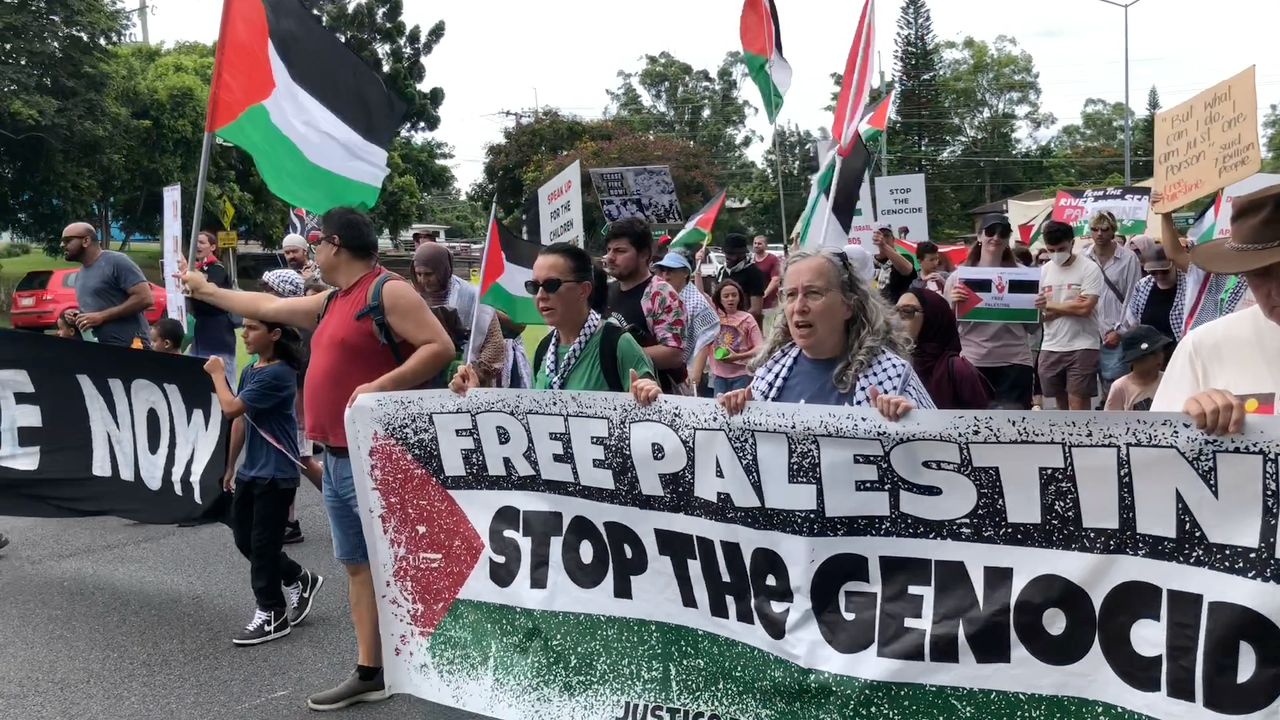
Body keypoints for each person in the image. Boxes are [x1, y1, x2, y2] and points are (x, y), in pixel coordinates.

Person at [181, 207, 455, 711]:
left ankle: (438, 664)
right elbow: (266, 304)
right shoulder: (332, 300)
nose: (312, 254)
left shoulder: (386, 291)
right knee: (358, 566)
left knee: (403, 564)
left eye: (316, 245)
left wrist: (380, 385)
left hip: (378, 456)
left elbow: (439, 346)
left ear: (334, 244)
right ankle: (370, 671)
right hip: (337, 458)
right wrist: (206, 290)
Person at [204, 322, 324, 646]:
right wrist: (231, 465)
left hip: (277, 473)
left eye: (252, 328)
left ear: (274, 334)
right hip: (252, 470)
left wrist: (217, 373)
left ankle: (272, 612)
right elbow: (241, 420)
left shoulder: (280, 374)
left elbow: (230, 407)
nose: (244, 334)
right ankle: (298, 577)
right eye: (244, 327)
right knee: (244, 538)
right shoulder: (251, 370)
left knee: (263, 545)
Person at [719, 248, 935, 417]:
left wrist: (911, 422)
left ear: (848, 305)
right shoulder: (769, 372)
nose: (799, 307)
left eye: (813, 293)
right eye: (791, 295)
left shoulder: (893, 376)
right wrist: (743, 410)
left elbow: (939, 449)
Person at [451, 243, 661, 402]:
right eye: (534, 286)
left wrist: (648, 394)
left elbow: (654, 417)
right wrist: (474, 394)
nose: (540, 295)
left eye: (551, 284)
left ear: (583, 290)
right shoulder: (544, 350)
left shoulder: (617, 344)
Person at [1151, 186, 1280, 434]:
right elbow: (1156, 448)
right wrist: (1191, 425)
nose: (1276, 291)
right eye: (1260, 273)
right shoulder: (1202, 346)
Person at [259, 268, 324, 544]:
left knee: (298, 460)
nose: (264, 294)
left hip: (295, 405)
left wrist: (302, 413)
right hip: (289, 404)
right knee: (292, 460)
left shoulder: (296, 331)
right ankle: (287, 520)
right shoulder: (286, 326)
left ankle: (347, 504)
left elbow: (301, 374)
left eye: (270, 290)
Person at [944, 214, 1035, 409]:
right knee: (974, 424)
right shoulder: (957, 278)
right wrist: (953, 304)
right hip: (972, 362)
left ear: (1008, 239)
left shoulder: (1024, 276)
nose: (996, 237)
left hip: (1015, 362)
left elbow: (1033, 327)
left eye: (1003, 233)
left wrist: (1038, 308)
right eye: (991, 232)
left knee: (1014, 424)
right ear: (979, 236)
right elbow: (946, 329)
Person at [602, 218, 688, 393]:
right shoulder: (606, 290)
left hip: (652, 396)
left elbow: (674, 354)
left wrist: (616, 357)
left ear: (644, 254)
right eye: (608, 250)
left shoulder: (660, 294)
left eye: (619, 251)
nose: (610, 257)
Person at [412, 243, 506, 385]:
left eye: (429, 274)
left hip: (467, 383)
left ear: (443, 270)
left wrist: (471, 372)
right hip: (423, 382)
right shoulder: (411, 297)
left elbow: (494, 345)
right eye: (419, 274)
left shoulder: (471, 298)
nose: (423, 280)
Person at [1035, 220, 1104, 411]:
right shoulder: (1043, 271)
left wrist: (1049, 305)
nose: (1056, 254)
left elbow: (1085, 309)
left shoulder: (1089, 268)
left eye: (1061, 249)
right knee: (1060, 405)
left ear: (1072, 243)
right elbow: (1039, 315)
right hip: (1051, 345)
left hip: (1082, 344)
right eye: (1051, 250)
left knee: (1078, 405)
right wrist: (1071, 305)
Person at [1081, 211, 1142, 406]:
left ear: (1113, 230)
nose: (1099, 233)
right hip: (1088, 330)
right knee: (1084, 386)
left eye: (1104, 229)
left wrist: (1120, 330)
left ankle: (1117, 418)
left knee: (1115, 382)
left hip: (1115, 329)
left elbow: (1133, 296)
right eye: (1095, 229)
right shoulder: (1083, 257)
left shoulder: (1128, 258)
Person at [60, 222, 153, 347]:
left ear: (86, 241)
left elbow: (145, 298)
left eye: (67, 241)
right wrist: (77, 314)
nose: (62, 245)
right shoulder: (81, 273)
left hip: (129, 345)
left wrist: (101, 316)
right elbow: (98, 308)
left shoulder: (117, 262)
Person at [896, 288, 989, 410]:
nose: (897, 319)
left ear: (932, 316)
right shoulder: (897, 364)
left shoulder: (959, 370)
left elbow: (980, 419)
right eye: (895, 311)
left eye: (907, 311)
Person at [653, 252, 718, 395]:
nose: (665, 274)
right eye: (663, 270)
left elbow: (706, 337)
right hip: (661, 368)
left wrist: (695, 373)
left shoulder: (697, 302)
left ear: (685, 273)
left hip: (686, 372)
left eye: (671, 270)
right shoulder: (659, 297)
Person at [185, 231, 238, 385]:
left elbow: (210, 290)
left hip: (218, 331)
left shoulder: (217, 268)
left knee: (223, 380)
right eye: (195, 242)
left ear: (213, 247)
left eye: (202, 242)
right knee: (197, 380)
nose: (197, 246)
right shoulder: (195, 269)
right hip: (201, 330)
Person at [1123, 245, 1181, 361]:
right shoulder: (1143, 285)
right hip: (1149, 352)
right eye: (1153, 272)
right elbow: (1133, 318)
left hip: (1178, 350)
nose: (1159, 276)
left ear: (1174, 265)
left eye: (1164, 271)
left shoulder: (1189, 284)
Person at [707, 279, 763, 397]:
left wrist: (738, 357)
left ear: (739, 297)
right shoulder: (714, 316)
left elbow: (760, 348)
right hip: (719, 375)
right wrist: (698, 272)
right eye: (726, 296)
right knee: (719, 406)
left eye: (734, 295)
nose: (730, 299)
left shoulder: (748, 318)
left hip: (741, 374)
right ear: (720, 299)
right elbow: (701, 293)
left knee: (739, 406)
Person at [1103, 325, 1168, 411]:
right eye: (1152, 354)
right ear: (1133, 360)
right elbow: (1111, 418)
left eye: (1160, 351)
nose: (1159, 358)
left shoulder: (1168, 381)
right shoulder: (1120, 388)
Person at [715, 233, 767, 326]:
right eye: (726, 253)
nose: (727, 256)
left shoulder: (753, 272)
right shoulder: (722, 271)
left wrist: (736, 324)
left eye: (731, 253)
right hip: (723, 326)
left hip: (746, 326)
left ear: (741, 254)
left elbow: (756, 309)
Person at [870, 225, 917, 304]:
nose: (883, 239)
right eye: (879, 236)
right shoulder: (869, 261)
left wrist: (884, 246)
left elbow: (908, 270)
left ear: (893, 239)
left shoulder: (905, 258)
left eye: (886, 236)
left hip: (896, 306)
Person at [752, 235, 782, 311]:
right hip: (753, 303)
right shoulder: (750, 260)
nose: (756, 245)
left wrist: (764, 294)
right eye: (755, 243)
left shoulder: (772, 259)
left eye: (759, 244)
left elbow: (775, 279)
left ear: (765, 246)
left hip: (770, 302)